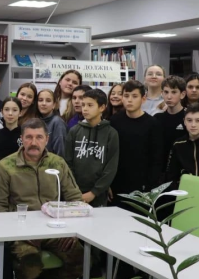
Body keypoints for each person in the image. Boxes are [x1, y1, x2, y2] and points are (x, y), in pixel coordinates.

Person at [0, 118, 84, 279]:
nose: (34, 142)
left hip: (55, 229)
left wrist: (73, 232)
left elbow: (75, 199)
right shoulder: (6, 166)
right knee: (30, 260)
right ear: (21, 140)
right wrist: (18, 233)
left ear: (47, 139)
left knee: (78, 254)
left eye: (39, 137)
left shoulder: (57, 163)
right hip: (21, 230)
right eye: (29, 137)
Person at [109, 80, 163, 208]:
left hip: (142, 186)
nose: (129, 100)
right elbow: (109, 153)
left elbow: (157, 158)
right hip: (117, 183)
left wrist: (150, 186)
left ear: (143, 99)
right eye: (126, 96)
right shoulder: (114, 121)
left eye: (134, 96)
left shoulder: (152, 124)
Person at [65, 89, 119, 208]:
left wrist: (95, 192)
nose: (84, 108)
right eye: (83, 105)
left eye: (90, 105)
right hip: (75, 191)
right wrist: (74, 189)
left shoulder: (111, 133)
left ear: (102, 107)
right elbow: (67, 162)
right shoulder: (74, 131)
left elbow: (111, 167)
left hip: (98, 193)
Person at [154, 76, 187, 173]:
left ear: (182, 94)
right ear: (162, 93)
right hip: (161, 170)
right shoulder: (157, 118)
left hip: (183, 169)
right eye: (166, 92)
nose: (169, 96)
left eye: (174, 92)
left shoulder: (189, 118)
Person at [0, 97, 22, 171]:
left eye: (14, 110)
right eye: (6, 109)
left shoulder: (24, 135)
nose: (10, 113)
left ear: (20, 112)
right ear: (2, 112)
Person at [36, 88, 66, 156]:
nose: (43, 103)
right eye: (40, 100)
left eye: (48, 101)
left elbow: (61, 151)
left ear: (54, 105)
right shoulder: (37, 121)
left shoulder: (58, 123)